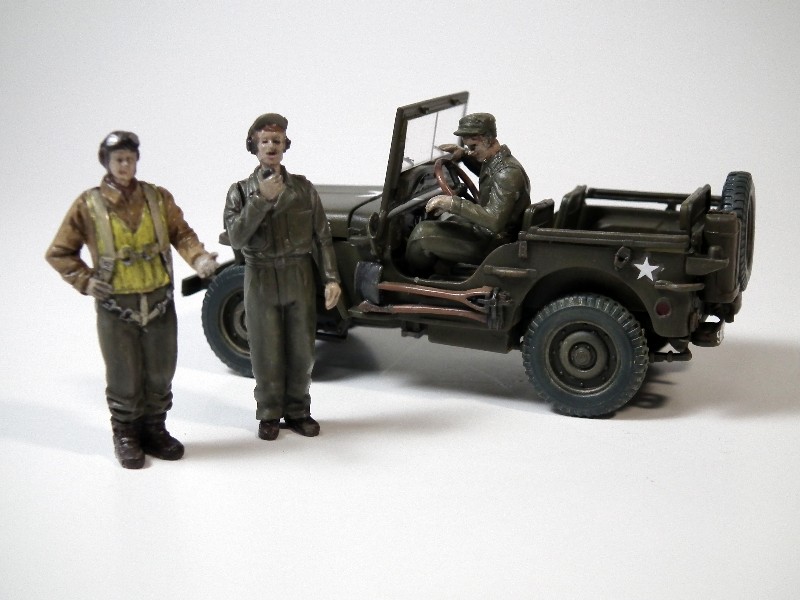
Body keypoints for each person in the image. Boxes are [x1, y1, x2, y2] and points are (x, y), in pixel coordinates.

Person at [45, 131, 219, 469]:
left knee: (161, 372)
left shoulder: (157, 198)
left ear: (137, 160)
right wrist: (85, 280)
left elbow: (181, 233)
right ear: (106, 163)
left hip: (159, 301)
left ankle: (155, 428)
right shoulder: (88, 205)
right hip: (116, 306)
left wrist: (198, 258)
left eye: (129, 158)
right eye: (118, 159)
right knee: (123, 376)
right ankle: (125, 433)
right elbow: (60, 253)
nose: (124, 165)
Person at [223, 113, 341, 441]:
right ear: (254, 146)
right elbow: (236, 237)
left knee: (302, 351)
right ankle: (269, 412)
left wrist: (331, 277)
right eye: (265, 141)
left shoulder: (303, 188)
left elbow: (322, 237)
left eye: (277, 140)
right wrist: (261, 199)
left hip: (298, 276)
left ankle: (299, 410)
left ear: (285, 145)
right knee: (266, 352)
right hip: (260, 278)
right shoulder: (240, 192)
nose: (271, 146)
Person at [405, 112, 531, 275]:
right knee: (452, 220)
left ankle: (414, 277)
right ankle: (441, 267)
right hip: (495, 235)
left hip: (494, 243)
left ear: (487, 140)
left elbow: (494, 220)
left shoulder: (506, 173)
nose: (471, 151)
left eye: (473, 147)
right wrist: (464, 155)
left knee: (420, 234)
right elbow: (487, 174)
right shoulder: (499, 162)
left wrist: (452, 203)